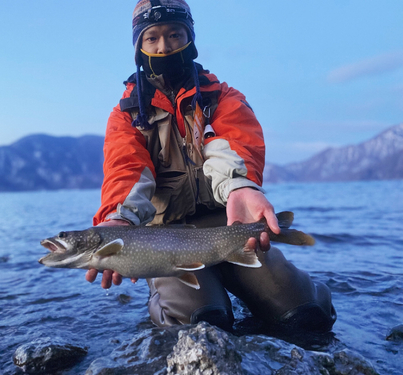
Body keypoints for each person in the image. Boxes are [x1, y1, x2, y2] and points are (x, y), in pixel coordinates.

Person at [87, 0, 336, 332]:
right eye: (152, 38)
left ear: (190, 38)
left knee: (305, 313)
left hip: (229, 224)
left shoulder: (222, 97)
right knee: (200, 323)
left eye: (175, 34)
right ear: (139, 46)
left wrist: (242, 186)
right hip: (165, 237)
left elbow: (232, 145)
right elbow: (127, 169)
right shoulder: (126, 116)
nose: (164, 46)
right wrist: (119, 217)